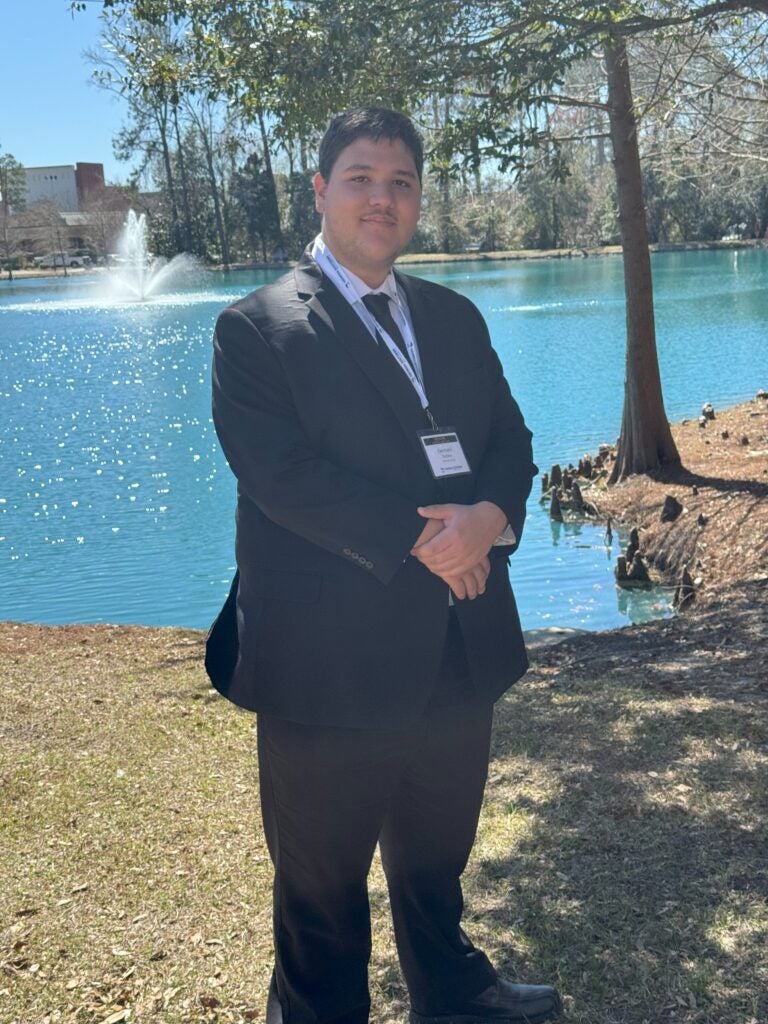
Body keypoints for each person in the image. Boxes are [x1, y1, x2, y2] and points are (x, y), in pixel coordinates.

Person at [206, 107, 562, 1024]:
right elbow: (283, 477)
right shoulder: (255, 328)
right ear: (320, 191)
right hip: (329, 657)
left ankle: (451, 991)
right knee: (320, 883)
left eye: (401, 182)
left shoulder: (452, 314)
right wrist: (428, 540)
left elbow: (510, 440)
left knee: (437, 852)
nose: (382, 197)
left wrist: (489, 517)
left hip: (458, 638)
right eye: (361, 177)